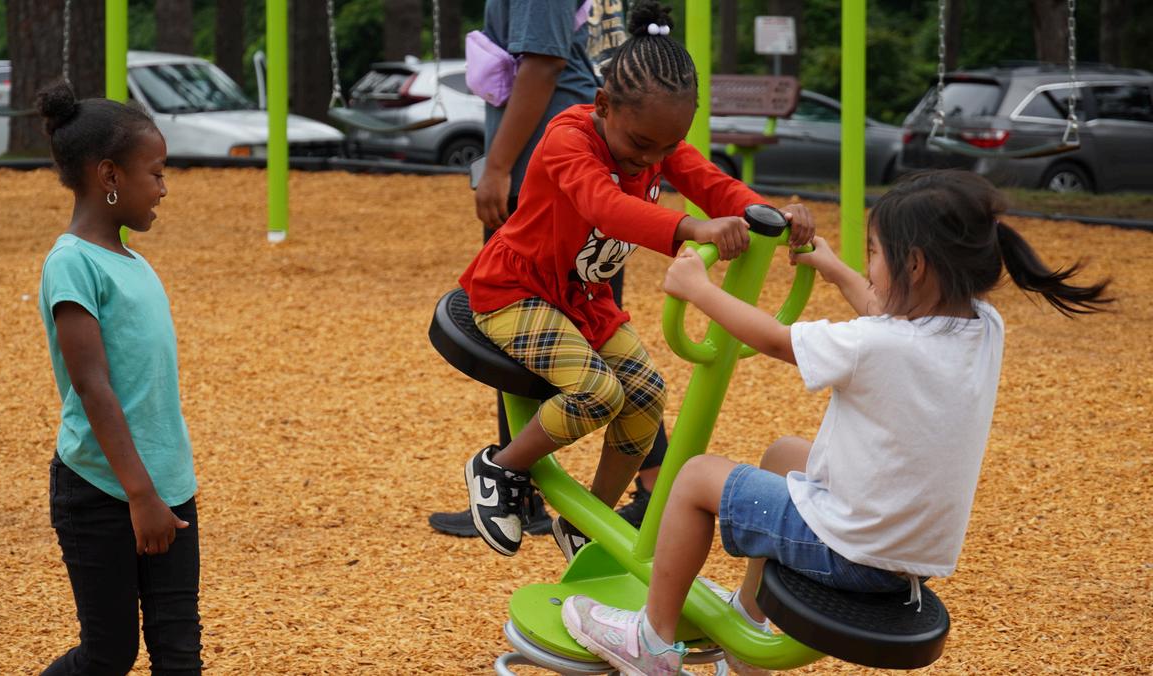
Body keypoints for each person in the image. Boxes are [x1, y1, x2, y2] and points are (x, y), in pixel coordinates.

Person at [560, 169, 1112, 675]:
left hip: (850, 551)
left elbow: (777, 339)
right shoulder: (983, 326)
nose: (868, 265)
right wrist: (833, 268)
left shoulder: (878, 345)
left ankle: (651, 642)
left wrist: (699, 290)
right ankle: (747, 630)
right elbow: (886, 310)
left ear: (914, 265)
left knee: (697, 477)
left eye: (873, 253)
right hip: (905, 551)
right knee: (783, 455)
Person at [459, 0, 816, 560]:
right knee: (597, 393)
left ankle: (590, 518)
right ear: (603, 105)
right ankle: (500, 468)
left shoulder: (655, 143)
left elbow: (714, 184)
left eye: (669, 146)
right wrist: (691, 227)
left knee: (646, 396)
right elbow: (606, 207)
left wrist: (772, 215)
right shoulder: (568, 139)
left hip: (583, 299)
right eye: (643, 145)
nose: (652, 158)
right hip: (516, 291)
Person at [428, 0, 665, 539]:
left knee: (612, 372)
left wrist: (498, 165)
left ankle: (517, 478)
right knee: (579, 357)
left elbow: (542, 64)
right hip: (574, 183)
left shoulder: (593, 134)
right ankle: (526, 483)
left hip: (555, 170)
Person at [35, 82, 203, 675]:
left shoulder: (134, 262)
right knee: (108, 655)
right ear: (109, 175)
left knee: (179, 655)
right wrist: (139, 495)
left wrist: (161, 489)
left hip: (169, 485)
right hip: (102, 491)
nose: (163, 188)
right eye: (155, 174)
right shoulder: (72, 264)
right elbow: (93, 386)